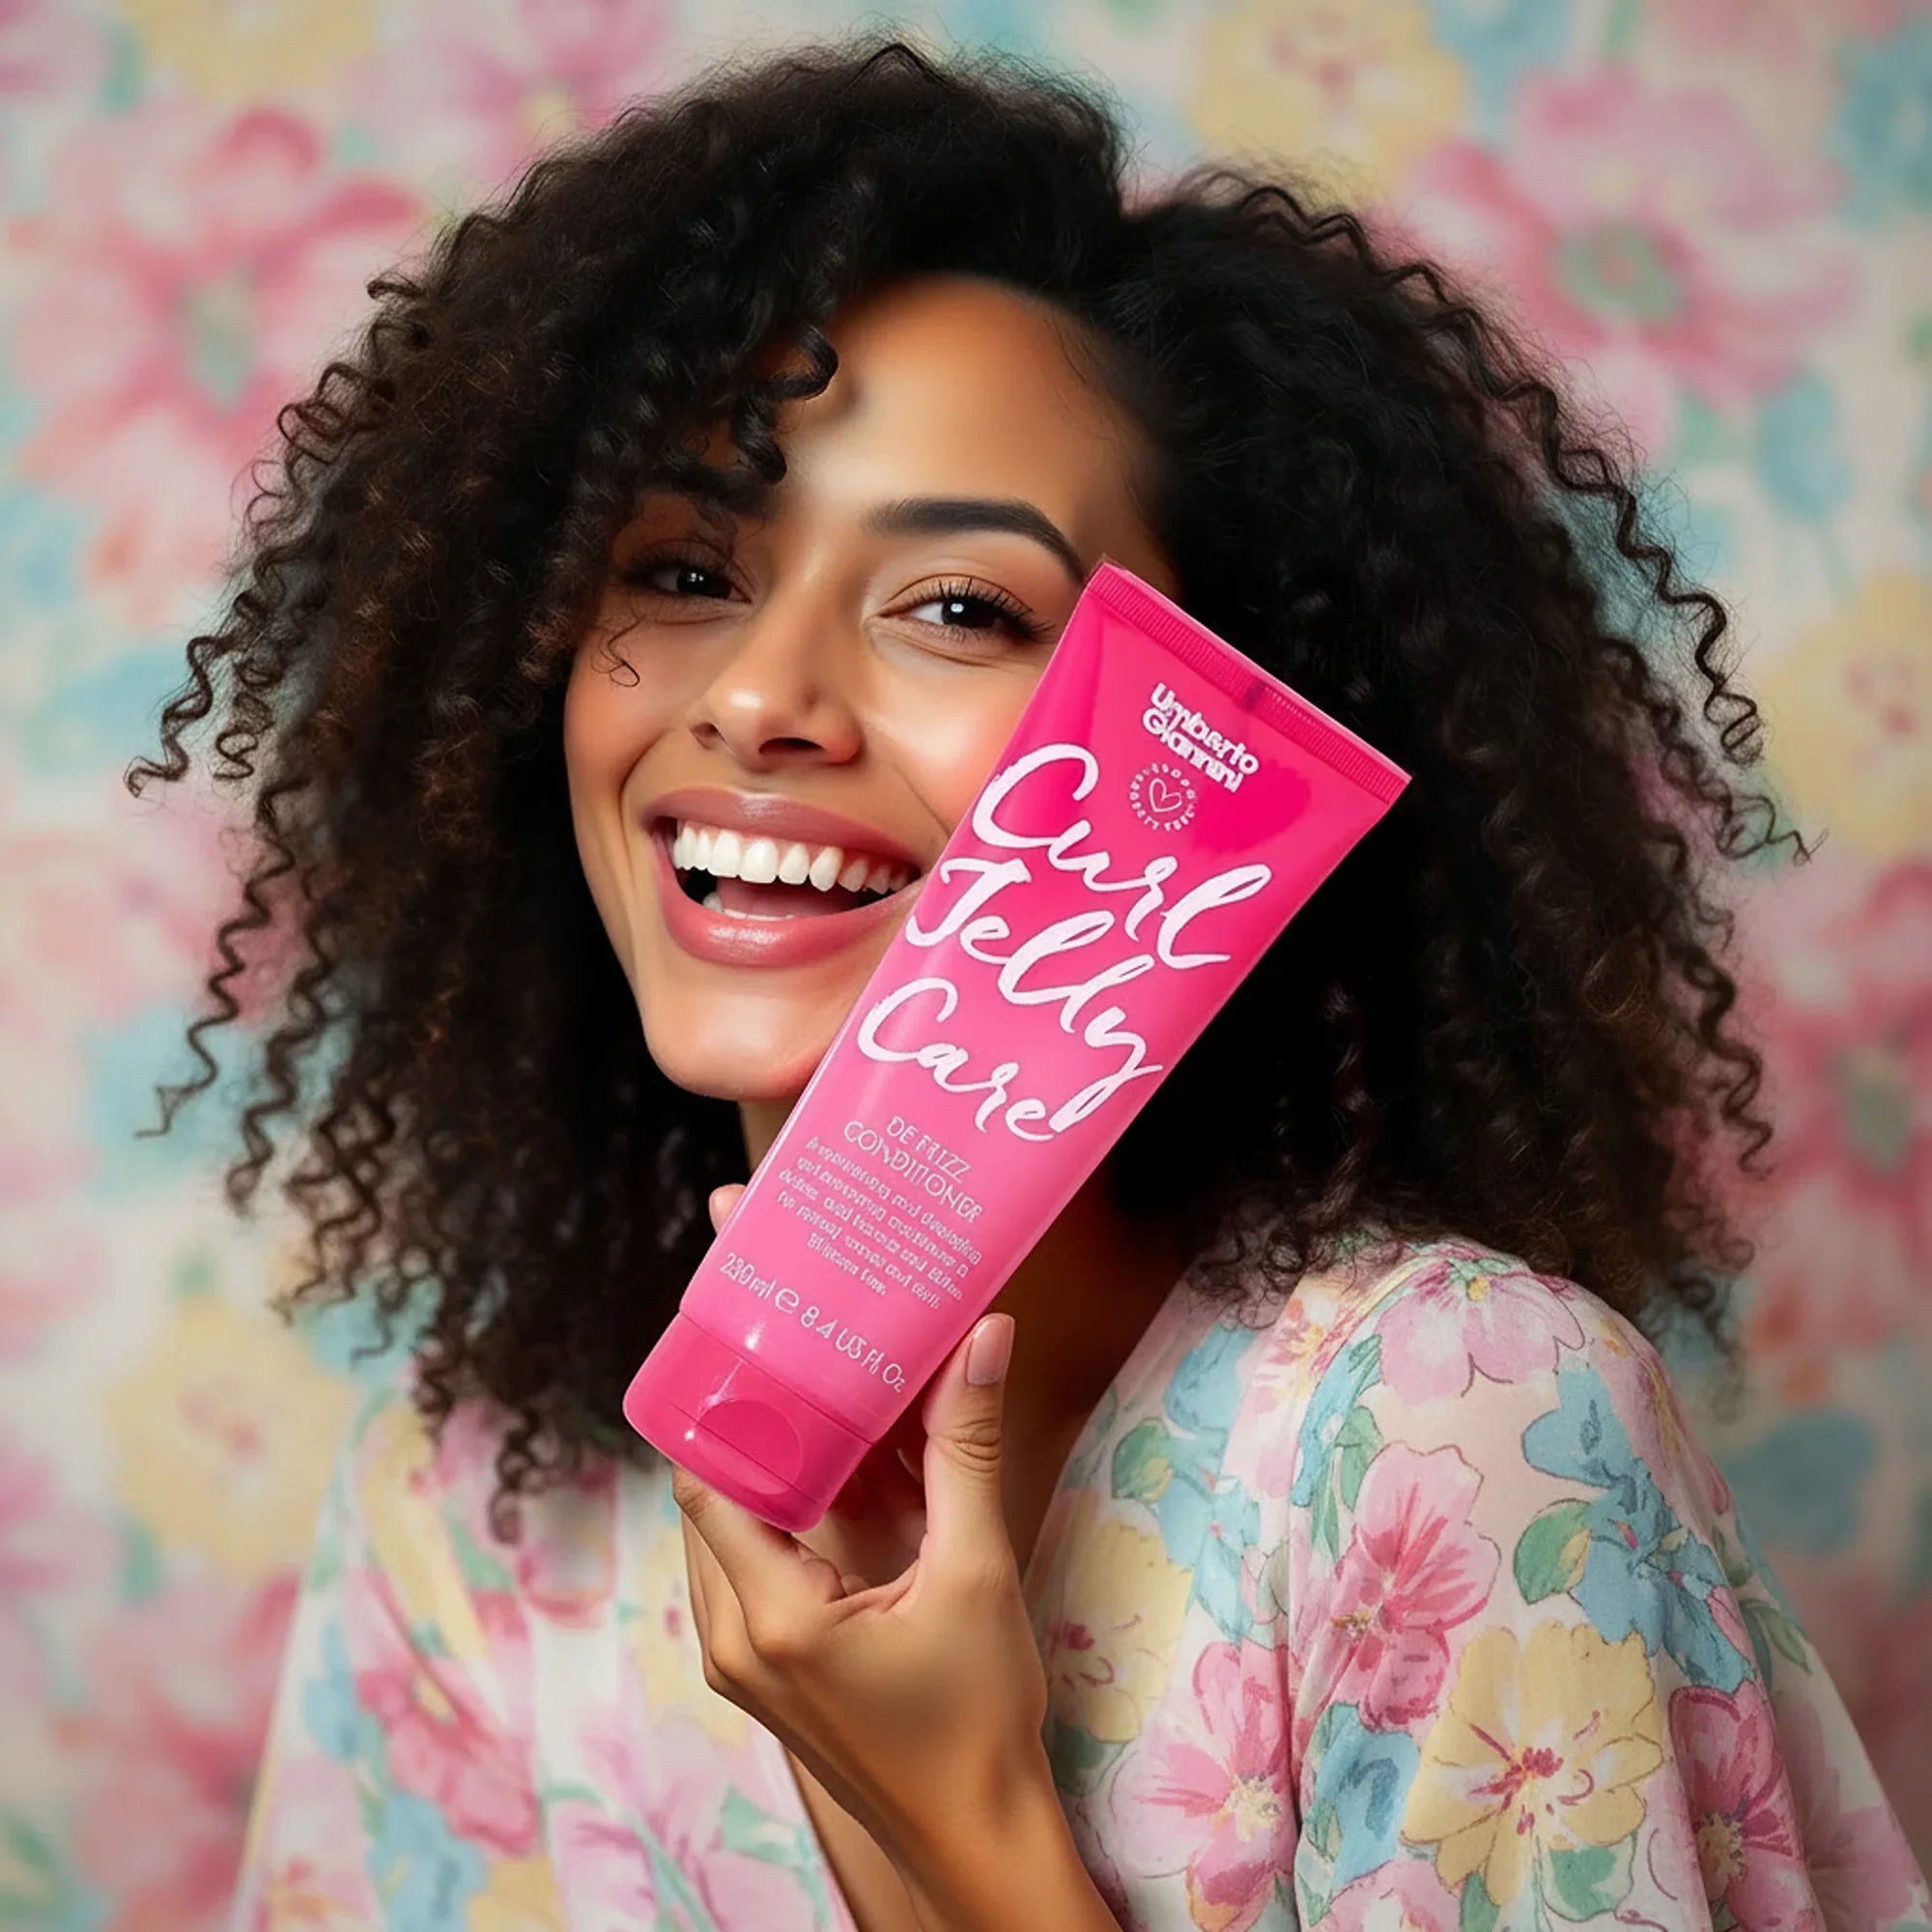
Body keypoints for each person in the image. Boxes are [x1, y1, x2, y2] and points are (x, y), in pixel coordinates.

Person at [131, 33, 1928, 1932]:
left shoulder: (1451, 1418)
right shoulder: (478, 1495)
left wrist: (970, 1832)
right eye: (677, 569)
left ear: (1213, 744)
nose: (756, 698)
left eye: (961, 607)